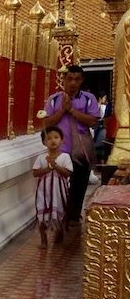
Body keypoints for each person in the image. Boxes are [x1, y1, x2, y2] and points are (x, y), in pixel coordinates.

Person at [40, 65, 100, 227]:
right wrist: (62, 111)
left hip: (82, 149)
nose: (73, 83)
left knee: (79, 184)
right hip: (60, 150)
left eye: (77, 79)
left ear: (82, 80)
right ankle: (61, 215)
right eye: (70, 79)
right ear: (64, 80)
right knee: (60, 184)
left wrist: (72, 110)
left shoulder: (88, 98)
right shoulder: (54, 99)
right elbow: (46, 123)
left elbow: (93, 121)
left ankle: (73, 217)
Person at [33, 126, 72, 247]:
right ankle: (43, 240)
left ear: (62, 140)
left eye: (56, 137)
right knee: (42, 213)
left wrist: (55, 165)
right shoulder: (41, 158)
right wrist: (48, 167)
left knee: (59, 212)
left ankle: (59, 235)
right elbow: (35, 173)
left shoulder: (65, 157)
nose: (53, 141)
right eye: (49, 138)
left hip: (59, 191)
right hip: (44, 192)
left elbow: (67, 173)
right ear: (44, 143)